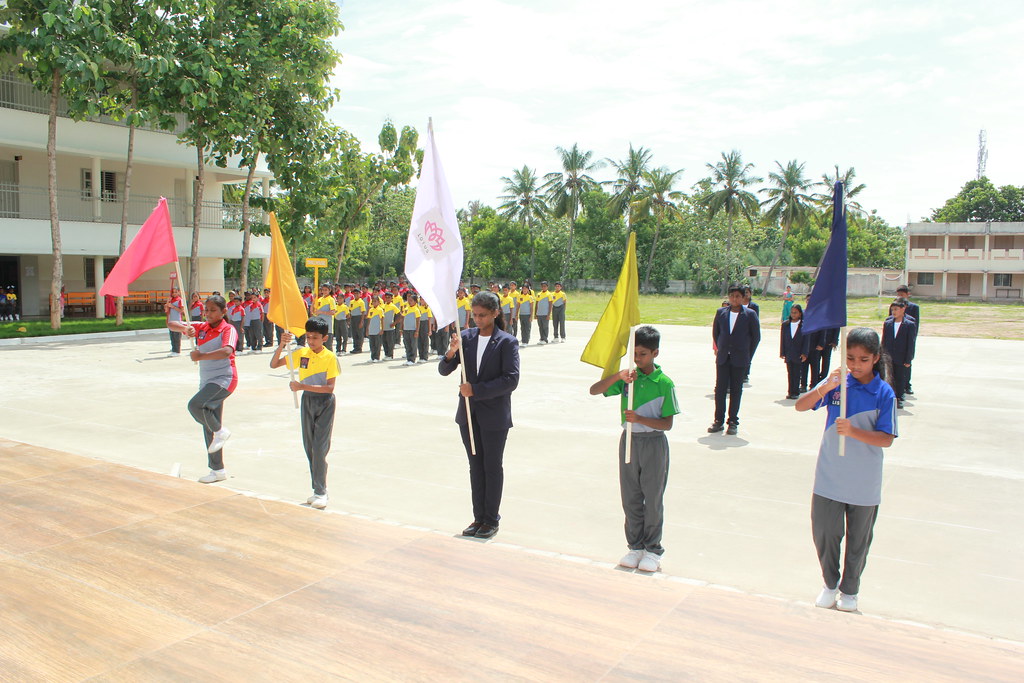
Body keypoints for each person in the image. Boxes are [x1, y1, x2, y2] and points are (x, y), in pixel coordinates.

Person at [795, 327, 897, 613]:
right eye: (850, 357)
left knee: (858, 540)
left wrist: (853, 431)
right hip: (830, 475)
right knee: (825, 532)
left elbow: (886, 439)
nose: (855, 365)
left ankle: (849, 590)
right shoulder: (837, 384)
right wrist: (825, 387)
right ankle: (829, 583)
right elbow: (801, 407)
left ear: (875, 358)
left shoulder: (884, 393)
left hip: (864, 480)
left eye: (863, 359)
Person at [589, 325, 679, 573]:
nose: (637, 359)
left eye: (642, 354)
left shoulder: (664, 383)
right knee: (630, 497)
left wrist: (640, 419)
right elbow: (594, 390)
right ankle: (635, 546)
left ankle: (653, 549)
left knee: (652, 497)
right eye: (634, 354)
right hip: (629, 441)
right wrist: (619, 376)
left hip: (653, 442)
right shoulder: (629, 379)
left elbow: (668, 423)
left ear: (655, 353)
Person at [438, 291, 520, 540]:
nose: (477, 319)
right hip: (468, 415)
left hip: (494, 415)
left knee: (492, 466)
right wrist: (451, 352)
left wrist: (476, 390)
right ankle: (478, 517)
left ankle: (491, 519)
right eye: (474, 315)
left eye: (482, 315)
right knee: (475, 467)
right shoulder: (466, 337)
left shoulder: (506, 342)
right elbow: (444, 369)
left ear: (495, 313)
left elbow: (511, 380)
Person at [168, 295, 239, 484]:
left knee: (195, 406)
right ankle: (218, 470)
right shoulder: (200, 327)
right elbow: (171, 323)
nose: (207, 314)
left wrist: (201, 356)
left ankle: (221, 430)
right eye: (206, 310)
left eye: (213, 310)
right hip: (207, 381)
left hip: (224, 379)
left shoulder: (228, 329)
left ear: (224, 312)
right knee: (209, 428)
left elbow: (227, 351)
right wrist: (186, 328)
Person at [269, 318, 338, 509]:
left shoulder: (330, 357)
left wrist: (301, 386)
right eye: (308, 337)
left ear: (324, 338)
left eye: (315, 338)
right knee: (309, 447)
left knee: (319, 448)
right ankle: (316, 489)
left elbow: (330, 388)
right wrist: (282, 344)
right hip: (307, 401)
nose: (311, 341)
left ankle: (322, 492)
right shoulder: (301, 353)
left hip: (324, 403)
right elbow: (274, 364)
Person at [709, 284, 760, 435]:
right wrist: (722, 349)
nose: (734, 299)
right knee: (720, 389)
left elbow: (756, 337)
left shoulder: (750, 314)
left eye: (738, 296)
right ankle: (718, 421)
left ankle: (733, 421)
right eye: (732, 296)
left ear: (743, 297)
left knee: (736, 390)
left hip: (740, 358)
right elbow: (716, 333)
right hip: (724, 357)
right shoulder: (721, 312)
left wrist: (748, 356)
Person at [882, 298, 917, 409]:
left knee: (900, 378)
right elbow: (884, 341)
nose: (894, 312)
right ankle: (889, 397)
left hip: (901, 357)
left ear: (903, 309)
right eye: (892, 310)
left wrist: (908, 359)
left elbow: (911, 343)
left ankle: (898, 398)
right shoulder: (888, 323)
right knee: (889, 378)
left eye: (896, 309)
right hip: (888, 356)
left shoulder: (909, 325)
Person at [780, 304, 809, 399]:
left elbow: (806, 341)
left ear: (800, 314)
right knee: (790, 373)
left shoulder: (804, 325)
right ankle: (790, 391)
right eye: (792, 312)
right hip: (789, 352)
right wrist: (782, 352)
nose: (793, 314)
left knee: (797, 373)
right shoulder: (785, 324)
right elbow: (783, 339)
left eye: (795, 312)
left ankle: (795, 392)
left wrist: (804, 353)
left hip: (798, 353)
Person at [895, 285, 920, 395]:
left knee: (907, 362)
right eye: (898, 294)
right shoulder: (895, 306)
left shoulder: (914, 308)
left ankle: (907, 385)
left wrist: (912, 339)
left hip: (908, 338)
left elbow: (916, 324)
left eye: (902, 294)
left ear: (907, 295)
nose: (900, 296)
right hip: (897, 338)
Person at [400, 293, 421, 366]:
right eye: (408, 300)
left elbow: (418, 321)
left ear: (415, 301)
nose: (409, 302)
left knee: (413, 345)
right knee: (407, 344)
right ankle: (408, 358)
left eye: (411, 300)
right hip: (406, 329)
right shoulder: (406, 309)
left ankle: (412, 359)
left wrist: (417, 331)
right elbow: (403, 319)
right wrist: (401, 329)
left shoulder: (416, 310)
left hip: (413, 330)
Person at [164, 286, 184, 357]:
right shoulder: (170, 300)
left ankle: (177, 350)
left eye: (176, 292)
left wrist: (173, 307)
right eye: (173, 292)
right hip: (171, 319)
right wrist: (167, 303)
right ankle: (173, 349)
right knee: (172, 335)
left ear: (178, 292)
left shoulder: (180, 300)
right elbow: (166, 310)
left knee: (176, 336)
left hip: (177, 320)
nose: (174, 293)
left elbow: (181, 310)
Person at [381, 292, 400, 360]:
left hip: (390, 327)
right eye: (386, 297)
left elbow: (399, 315)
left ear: (392, 299)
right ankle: (386, 354)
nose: (387, 299)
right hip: (383, 327)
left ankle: (390, 355)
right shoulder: (382, 306)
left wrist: (395, 323)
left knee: (390, 342)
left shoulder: (393, 306)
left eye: (389, 297)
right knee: (384, 341)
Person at [366, 295, 385, 363]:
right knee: (372, 344)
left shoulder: (380, 310)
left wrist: (382, 329)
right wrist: (367, 329)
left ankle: (377, 357)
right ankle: (372, 357)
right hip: (371, 330)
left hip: (377, 329)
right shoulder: (371, 310)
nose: (374, 303)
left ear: (378, 302)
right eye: (373, 301)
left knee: (377, 344)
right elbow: (369, 319)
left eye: (375, 301)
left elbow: (382, 319)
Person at [348, 286, 367, 354]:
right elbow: (350, 311)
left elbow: (363, 312)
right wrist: (349, 319)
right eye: (354, 293)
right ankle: (355, 347)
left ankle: (359, 348)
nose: (356, 295)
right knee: (354, 333)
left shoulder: (361, 302)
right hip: (353, 318)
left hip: (359, 318)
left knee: (359, 333)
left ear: (360, 294)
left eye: (357, 293)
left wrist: (361, 321)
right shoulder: (352, 302)